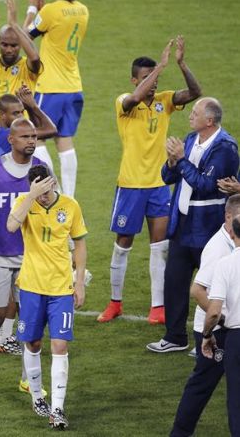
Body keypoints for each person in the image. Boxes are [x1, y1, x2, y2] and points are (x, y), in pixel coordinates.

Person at [98, 36, 202, 324]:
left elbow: (195, 91)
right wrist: (160, 67)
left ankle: (158, 307)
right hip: (130, 184)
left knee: (160, 246)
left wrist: (180, 64)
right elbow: (132, 99)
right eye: (146, 77)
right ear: (134, 80)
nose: (154, 83)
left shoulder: (164, 102)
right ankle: (115, 302)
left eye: (155, 76)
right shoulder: (124, 102)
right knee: (123, 243)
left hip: (158, 186)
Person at [147, 97, 239, 353]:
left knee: (210, 285)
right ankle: (175, 337)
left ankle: (215, 337)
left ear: (209, 120)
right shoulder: (190, 139)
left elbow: (207, 186)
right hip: (182, 223)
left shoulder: (225, 148)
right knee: (174, 280)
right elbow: (167, 177)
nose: (190, 115)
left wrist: (182, 160)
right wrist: (172, 161)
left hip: (208, 227)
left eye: (195, 112)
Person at [7, 164, 87, 430]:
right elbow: (10, 226)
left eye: (45, 189)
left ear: (53, 183)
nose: (43, 195)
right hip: (31, 286)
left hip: (61, 288)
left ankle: (57, 409)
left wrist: (80, 283)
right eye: (37, 190)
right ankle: (37, 395)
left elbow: (80, 244)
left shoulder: (70, 206)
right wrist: (30, 196)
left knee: (60, 346)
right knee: (32, 343)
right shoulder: (24, 202)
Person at [0, 119, 47, 393]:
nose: (31, 141)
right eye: (25, 136)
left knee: (30, 318)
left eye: (34, 136)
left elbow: (52, 208)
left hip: (31, 256)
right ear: (11, 140)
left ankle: (28, 378)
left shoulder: (41, 169)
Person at [171, 194, 240, 436]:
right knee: (202, 385)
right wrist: (219, 320)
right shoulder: (217, 248)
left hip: (229, 328)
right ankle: (180, 432)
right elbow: (197, 290)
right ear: (228, 217)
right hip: (215, 330)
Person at [25, 0, 89, 197]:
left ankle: (56, 193)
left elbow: (24, 36)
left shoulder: (50, 11)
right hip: (74, 86)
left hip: (50, 87)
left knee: (37, 137)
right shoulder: (82, 10)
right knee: (64, 140)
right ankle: (69, 198)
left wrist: (33, 9)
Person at [201, 215, 240, 437]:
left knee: (237, 401)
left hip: (236, 338)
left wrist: (207, 334)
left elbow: (214, 310)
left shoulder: (225, 264)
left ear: (233, 233)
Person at [0, 86, 56, 164]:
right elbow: (51, 130)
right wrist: (34, 107)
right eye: (16, 113)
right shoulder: (8, 134)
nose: (21, 117)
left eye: (22, 112)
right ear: (2, 114)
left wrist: (29, 109)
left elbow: (34, 131)